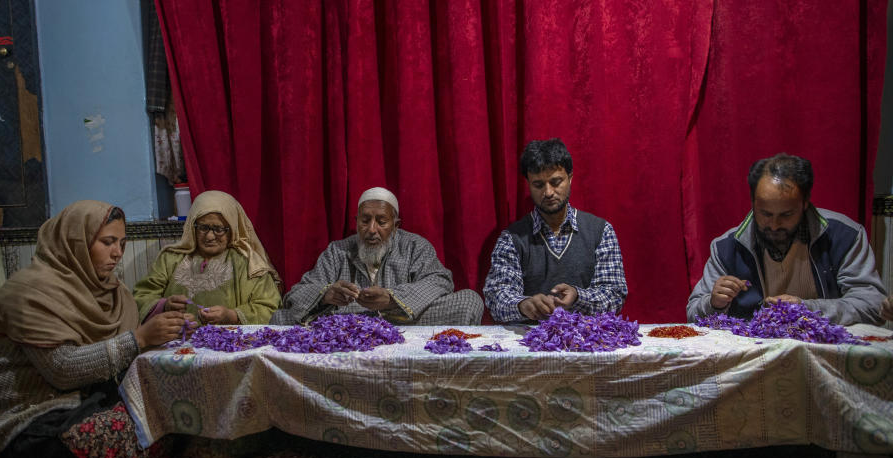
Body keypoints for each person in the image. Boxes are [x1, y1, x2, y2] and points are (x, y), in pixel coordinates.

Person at [0, 201, 187, 458]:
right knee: (103, 434)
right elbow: (63, 370)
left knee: (167, 400)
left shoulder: (110, 290)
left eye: (121, 243)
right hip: (24, 418)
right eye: (107, 242)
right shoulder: (28, 292)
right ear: (75, 242)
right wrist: (139, 339)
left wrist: (163, 330)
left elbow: (113, 357)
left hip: (80, 399)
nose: (118, 253)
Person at [686, 154, 887, 325]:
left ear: (805, 203)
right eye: (765, 213)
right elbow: (693, 313)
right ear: (753, 203)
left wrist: (807, 309)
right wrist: (713, 303)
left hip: (827, 351)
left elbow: (873, 306)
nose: (774, 225)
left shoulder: (844, 236)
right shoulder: (727, 247)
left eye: (786, 215)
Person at [270, 187, 483, 326]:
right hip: (347, 322)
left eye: (381, 222)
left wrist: (392, 299)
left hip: (401, 321)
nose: (372, 230)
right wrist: (325, 294)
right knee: (281, 318)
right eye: (365, 221)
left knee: (469, 301)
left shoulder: (415, 246)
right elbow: (296, 294)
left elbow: (440, 281)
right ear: (356, 222)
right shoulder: (338, 251)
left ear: (396, 225)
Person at [483, 138, 628, 323]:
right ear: (528, 184)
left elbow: (614, 295)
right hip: (529, 342)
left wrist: (577, 297)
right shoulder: (512, 238)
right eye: (538, 185)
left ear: (570, 178)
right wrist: (523, 305)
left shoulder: (600, 231)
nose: (549, 192)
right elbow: (496, 297)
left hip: (587, 341)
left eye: (556, 181)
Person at [134, 190, 282, 325]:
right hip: (174, 344)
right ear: (193, 226)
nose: (210, 236)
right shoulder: (171, 258)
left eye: (218, 229)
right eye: (203, 228)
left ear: (232, 229)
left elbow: (269, 306)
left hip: (229, 347)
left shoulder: (247, 263)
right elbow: (141, 297)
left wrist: (232, 316)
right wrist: (164, 306)